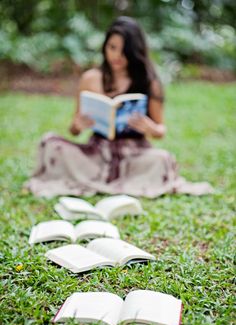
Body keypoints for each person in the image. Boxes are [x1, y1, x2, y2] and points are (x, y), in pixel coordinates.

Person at [25, 16, 213, 198]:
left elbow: (161, 130)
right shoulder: (91, 78)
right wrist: (79, 125)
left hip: (135, 154)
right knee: (51, 143)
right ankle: (110, 179)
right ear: (105, 47)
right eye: (112, 48)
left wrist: (151, 128)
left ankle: (112, 180)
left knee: (162, 159)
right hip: (96, 153)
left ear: (134, 51)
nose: (117, 56)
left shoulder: (149, 82)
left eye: (124, 51)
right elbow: (73, 130)